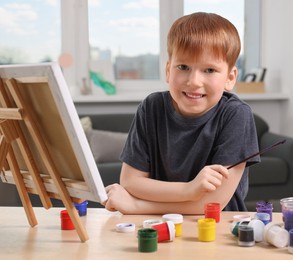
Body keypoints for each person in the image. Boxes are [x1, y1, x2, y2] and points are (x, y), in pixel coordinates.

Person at [103, 12, 259, 214]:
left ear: (230, 77)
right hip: (158, 226)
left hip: (217, 230)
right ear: (168, 70)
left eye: (209, 70)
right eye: (183, 67)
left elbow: (214, 203)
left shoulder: (236, 115)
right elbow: (131, 181)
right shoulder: (151, 108)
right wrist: (189, 190)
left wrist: (136, 206)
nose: (194, 81)